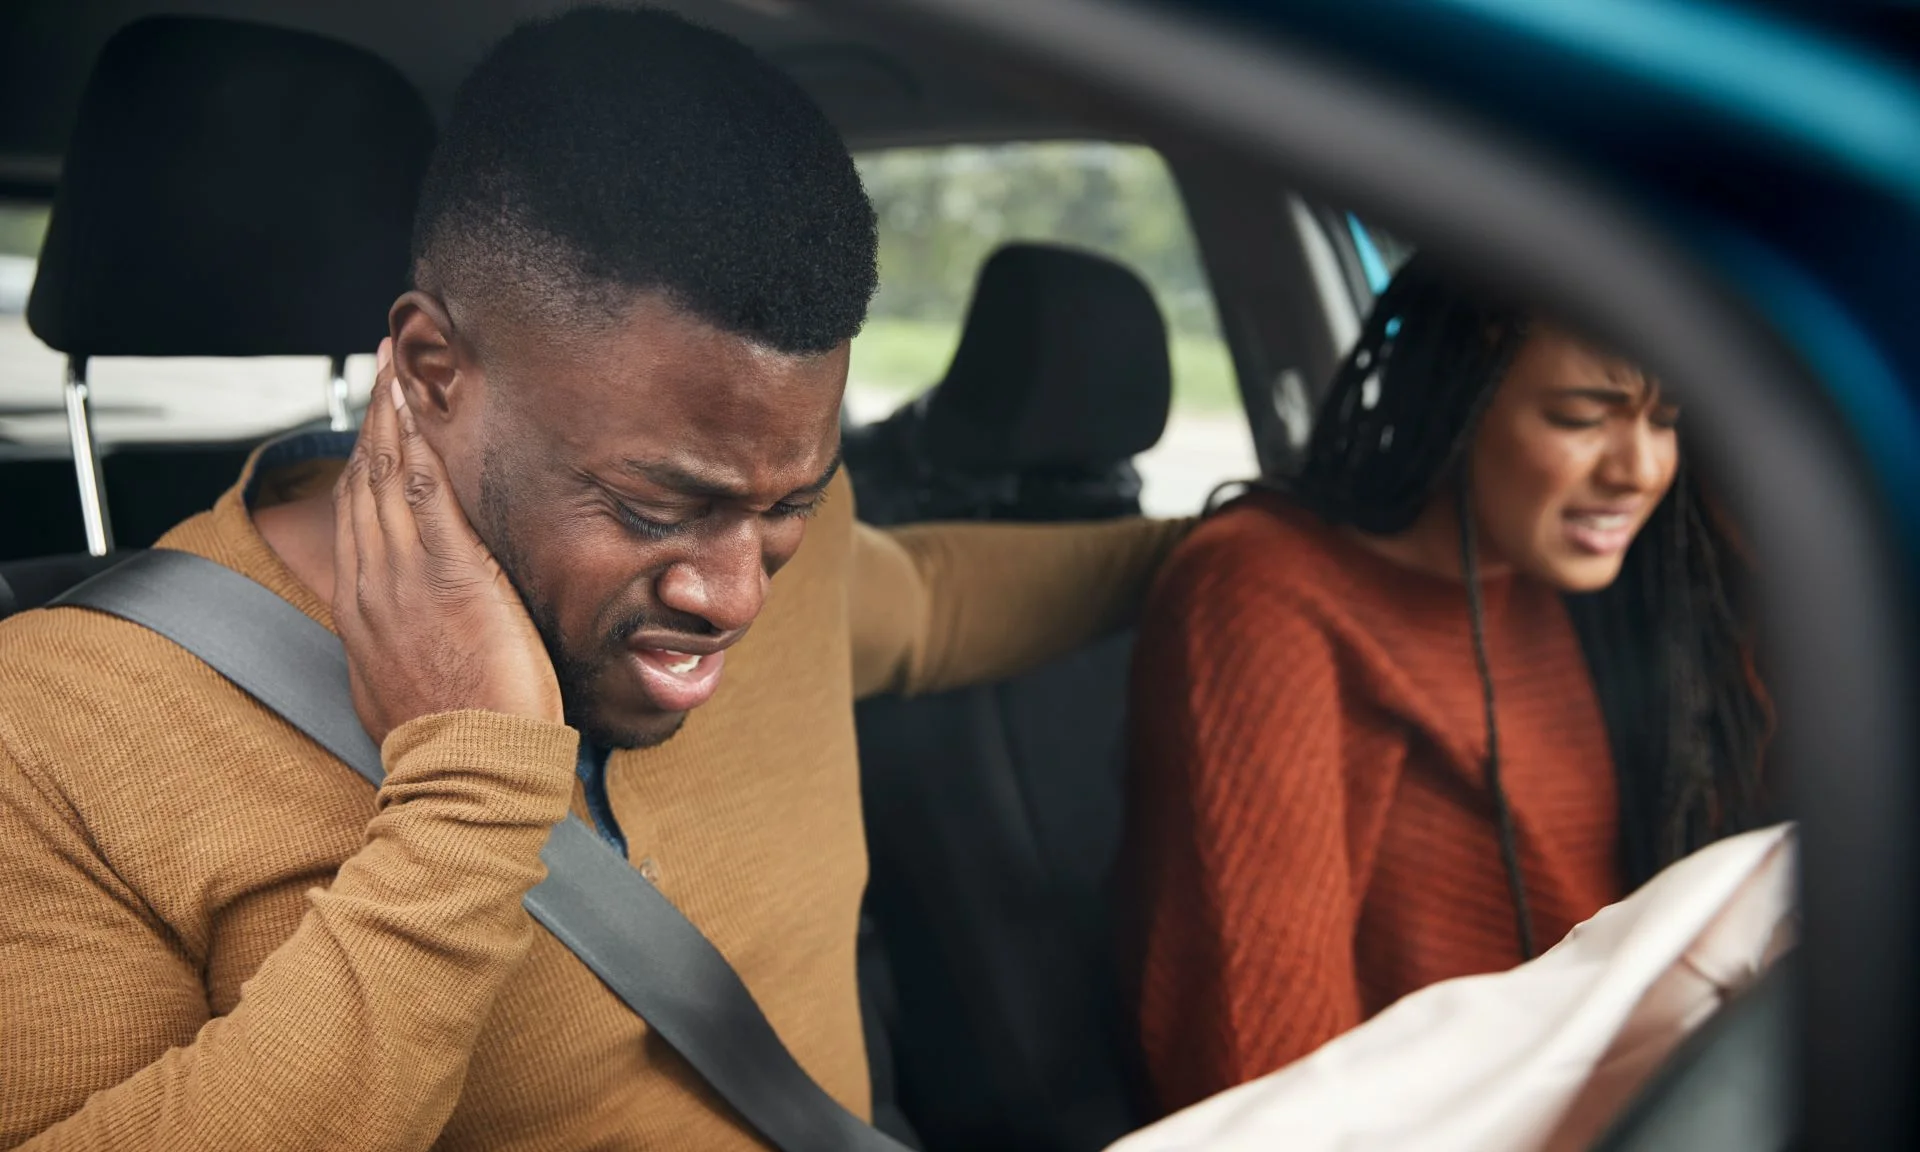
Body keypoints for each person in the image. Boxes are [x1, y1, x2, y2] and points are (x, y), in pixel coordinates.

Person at [0, 9, 1189, 1149]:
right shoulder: (61, 725)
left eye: (790, 504)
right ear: (430, 369)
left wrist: (1241, 540)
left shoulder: (791, 555)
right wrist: (464, 808)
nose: (737, 597)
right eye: (654, 508)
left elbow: (930, 604)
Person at [1119, 254, 1771, 1115]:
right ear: (1451, 402)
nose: (1641, 469)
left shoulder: (1604, 585)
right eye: (1581, 418)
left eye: (1669, 419)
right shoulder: (1265, 595)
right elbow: (1261, 1071)